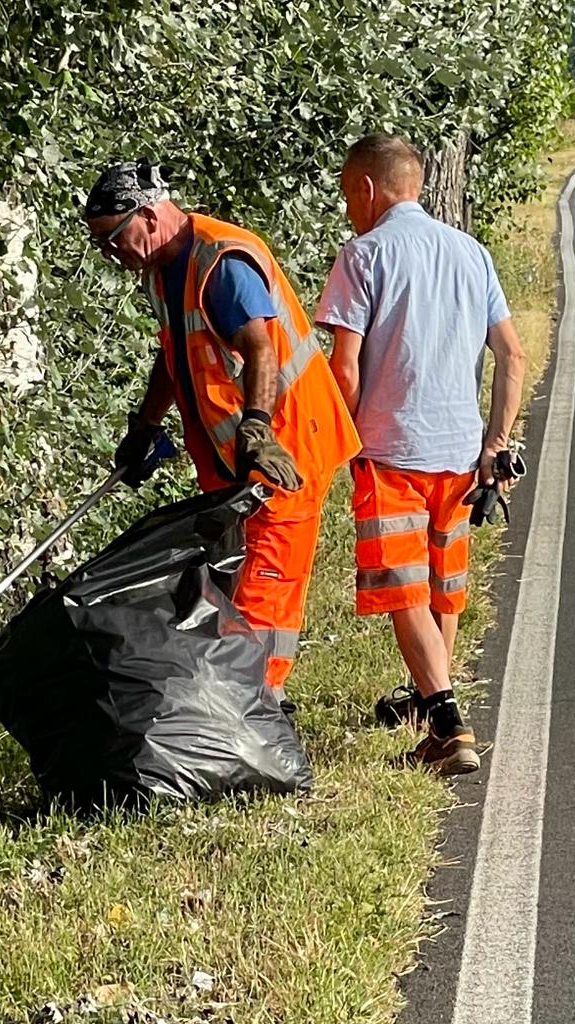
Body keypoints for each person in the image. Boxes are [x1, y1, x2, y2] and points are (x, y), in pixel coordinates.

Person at [84, 160, 360, 709]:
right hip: (240, 455)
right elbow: (174, 355)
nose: (112, 255)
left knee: (266, 579)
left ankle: (257, 706)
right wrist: (145, 425)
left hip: (286, 443)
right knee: (233, 575)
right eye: (102, 246)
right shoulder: (163, 270)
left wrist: (257, 429)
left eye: (115, 239)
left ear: (150, 214)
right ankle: (247, 698)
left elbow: (260, 348)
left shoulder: (218, 263)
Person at [315, 134, 526, 774]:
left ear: (366, 190)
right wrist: (496, 444)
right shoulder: (470, 252)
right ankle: (434, 701)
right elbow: (512, 355)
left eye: (349, 195)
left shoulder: (363, 255)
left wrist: (334, 440)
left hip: (389, 449)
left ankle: (448, 720)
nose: (349, 209)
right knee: (443, 584)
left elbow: (344, 369)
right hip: (461, 451)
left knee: (404, 587)